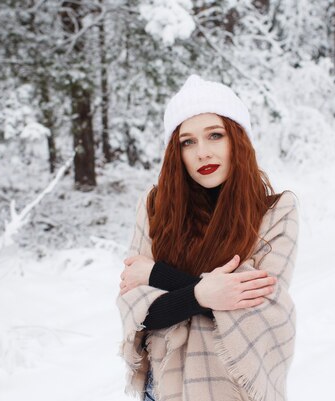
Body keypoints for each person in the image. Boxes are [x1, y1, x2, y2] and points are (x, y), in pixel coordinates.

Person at [116, 74, 299, 401]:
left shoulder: (274, 211)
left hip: (230, 389)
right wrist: (204, 294)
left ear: (238, 140)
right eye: (188, 141)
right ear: (177, 152)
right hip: (161, 389)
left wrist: (158, 275)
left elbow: (256, 307)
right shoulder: (156, 206)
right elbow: (137, 306)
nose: (202, 152)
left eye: (215, 135)